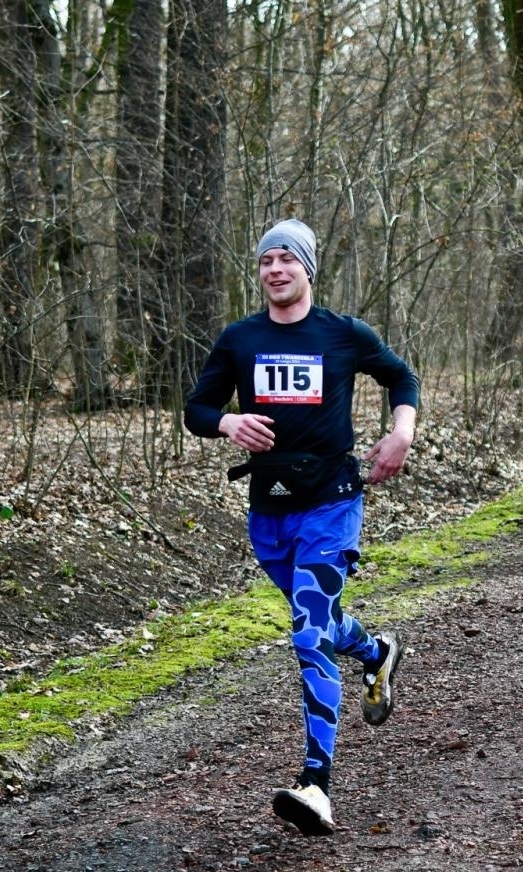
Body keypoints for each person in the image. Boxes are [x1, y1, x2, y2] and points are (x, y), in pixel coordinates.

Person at [184, 219, 420, 837]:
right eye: (267, 261)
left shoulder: (342, 335)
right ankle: (376, 652)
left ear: (308, 269)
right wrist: (228, 425)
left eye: (289, 259)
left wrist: (401, 432)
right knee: (318, 623)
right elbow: (196, 409)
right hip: (269, 511)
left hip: (333, 503)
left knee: (307, 633)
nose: (277, 269)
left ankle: (317, 783)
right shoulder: (240, 339)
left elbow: (402, 377)